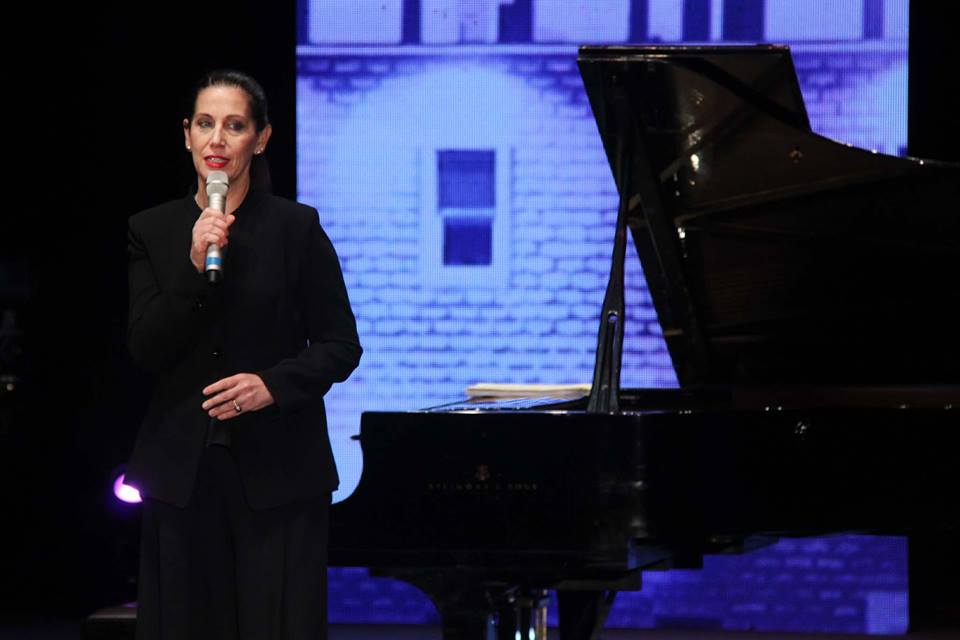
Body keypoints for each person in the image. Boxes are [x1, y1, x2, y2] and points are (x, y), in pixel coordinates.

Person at [124, 69, 361, 640]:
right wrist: (191, 268)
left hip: (279, 471)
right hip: (182, 473)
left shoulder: (295, 228)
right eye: (205, 124)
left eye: (235, 126)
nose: (217, 140)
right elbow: (145, 348)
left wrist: (272, 385)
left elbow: (340, 345)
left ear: (261, 138)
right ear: (186, 134)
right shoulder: (152, 230)